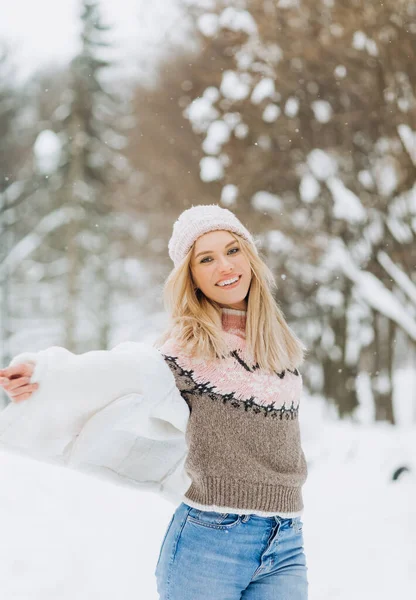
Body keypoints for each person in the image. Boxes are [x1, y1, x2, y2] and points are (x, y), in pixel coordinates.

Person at [0, 204, 308, 599]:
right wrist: (44, 374)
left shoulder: (280, 349)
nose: (225, 266)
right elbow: (119, 369)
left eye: (232, 250)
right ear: (191, 277)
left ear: (249, 255)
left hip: (286, 539)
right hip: (212, 543)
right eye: (206, 259)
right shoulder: (189, 348)